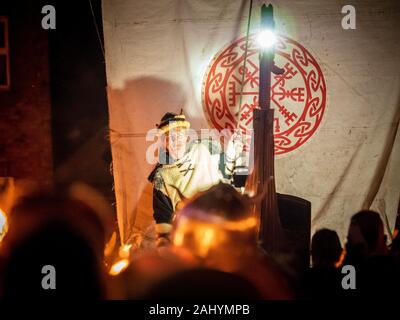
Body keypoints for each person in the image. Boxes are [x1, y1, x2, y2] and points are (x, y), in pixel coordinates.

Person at [148, 112, 244, 240]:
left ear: (186, 136)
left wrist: (232, 151)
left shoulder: (204, 148)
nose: (176, 141)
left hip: (224, 218)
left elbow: (227, 171)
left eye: (180, 135)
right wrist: (164, 241)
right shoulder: (161, 176)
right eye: (171, 137)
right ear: (164, 143)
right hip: (193, 233)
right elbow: (163, 217)